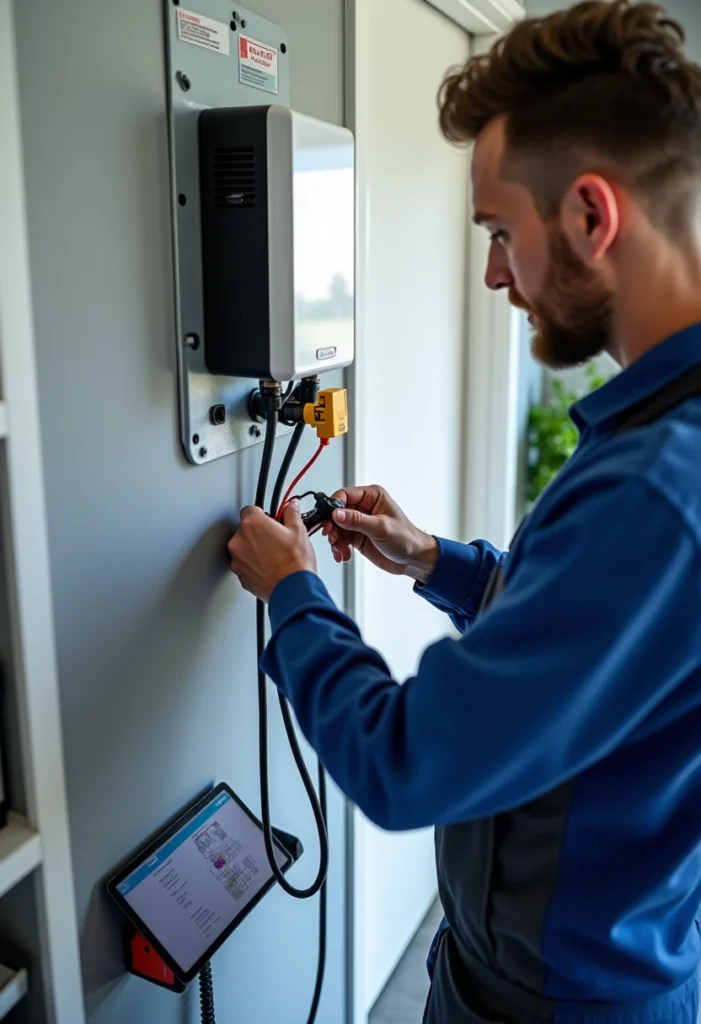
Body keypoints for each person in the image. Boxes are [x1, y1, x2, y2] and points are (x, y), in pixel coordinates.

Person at [227, 1, 701, 1020]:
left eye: (498, 233)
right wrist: (432, 558)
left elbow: (404, 762)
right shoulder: (661, 434)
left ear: (588, 214)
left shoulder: (654, 490)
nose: (494, 275)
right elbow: (596, 646)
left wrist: (294, 594)